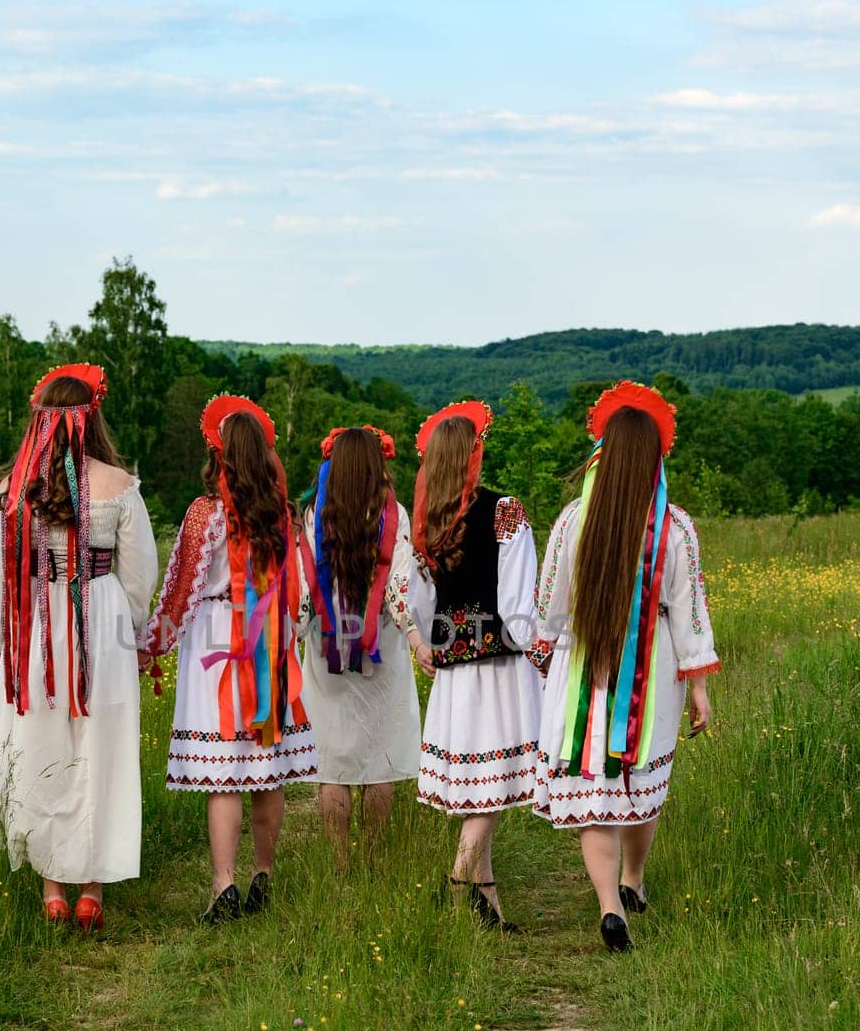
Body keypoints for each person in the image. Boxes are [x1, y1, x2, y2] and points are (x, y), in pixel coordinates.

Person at [531, 381, 720, 952]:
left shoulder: (571, 521)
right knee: (639, 769)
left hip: (584, 661)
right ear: (656, 458)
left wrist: (544, 653)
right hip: (652, 665)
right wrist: (700, 689)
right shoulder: (675, 527)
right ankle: (633, 880)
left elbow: (549, 605)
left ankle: (611, 904)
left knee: (596, 779)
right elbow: (689, 611)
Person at [0, 364, 159, 932]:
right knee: (97, 745)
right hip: (98, 623)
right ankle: (90, 888)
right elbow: (139, 575)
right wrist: (132, 630)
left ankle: (52, 885)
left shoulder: (13, 489)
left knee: (41, 744)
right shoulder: (120, 486)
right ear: (91, 419)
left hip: (35, 625)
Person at [142, 396, 315, 924]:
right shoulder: (282, 513)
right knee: (265, 768)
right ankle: (264, 873)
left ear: (218, 455)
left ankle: (224, 886)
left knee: (225, 774)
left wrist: (152, 644)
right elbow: (301, 586)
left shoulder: (203, 514)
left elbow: (181, 590)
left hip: (218, 646)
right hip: (271, 640)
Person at [407, 401, 543, 932]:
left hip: (455, 672)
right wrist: (540, 654)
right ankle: (458, 880)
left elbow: (417, 598)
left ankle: (488, 900)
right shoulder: (503, 510)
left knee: (481, 781)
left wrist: (427, 642)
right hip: (499, 667)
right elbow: (517, 603)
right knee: (495, 780)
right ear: (472, 457)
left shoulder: (427, 522)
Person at [297, 424, 423, 858]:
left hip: (325, 645)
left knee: (332, 759)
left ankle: (340, 864)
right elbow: (399, 584)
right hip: (381, 646)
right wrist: (414, 633)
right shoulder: (394, 513)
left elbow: (304, 585)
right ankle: (372, 855)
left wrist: (288, 636)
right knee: (379, 753)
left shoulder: (315, 513)